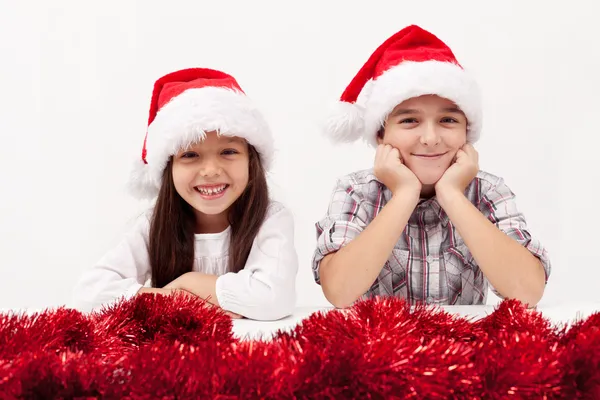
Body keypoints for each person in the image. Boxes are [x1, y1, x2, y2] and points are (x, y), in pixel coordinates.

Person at [313, 25, 550, 309]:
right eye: (409, 121)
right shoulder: (356, 191)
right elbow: (339, 292)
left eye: (448, 121)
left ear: (467, 132)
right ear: (380, 135)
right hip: (380, 347)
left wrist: (451, 194)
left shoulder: (488, 191)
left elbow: (529, 292)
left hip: (464, 347)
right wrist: (404, 195)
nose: (430, 139)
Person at [72, 68, 298, 320]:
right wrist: (175, 299)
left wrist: (187, 282)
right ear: (168, 168)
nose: (211, 171)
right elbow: (89, 294)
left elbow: (274, 298)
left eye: (228, 152)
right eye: (190, 155)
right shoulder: (152, 226)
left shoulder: (270, 218)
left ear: (251, 160)